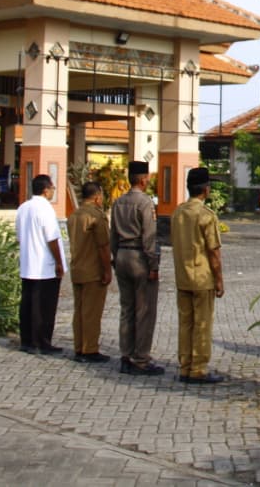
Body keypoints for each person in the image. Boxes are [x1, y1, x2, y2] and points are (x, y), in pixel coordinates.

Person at [170, 166, 225, 384]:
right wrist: (219, 279)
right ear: (205, 190)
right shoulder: (206, 215)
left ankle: (185, 366)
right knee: (202, 323)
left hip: (182, 276)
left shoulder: (178, 212)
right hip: (202, 277)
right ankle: (199, 368)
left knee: (185, 323)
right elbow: (214, 251)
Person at [111, 160, 164, 375]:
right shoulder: (145, 203)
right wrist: (153, 265)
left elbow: (112, 233)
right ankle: (141, 358)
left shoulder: (118, 202)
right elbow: (149, 237)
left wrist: (115, 257)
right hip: (139, 257)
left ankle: (126, 354)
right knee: (144, 310)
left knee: (127, 308)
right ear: (143, 180)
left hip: (122, 254)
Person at [16, 174, 65, 355]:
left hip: (28, 263)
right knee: (44, 306)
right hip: (44, 266)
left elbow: (19, 236)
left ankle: (27, 340)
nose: (53, 191)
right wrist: (59, 262)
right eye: (52, 188)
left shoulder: (23, 208)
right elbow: (52, 238)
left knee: (27, 304)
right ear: (46, 190)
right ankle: (42, 341)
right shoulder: (45, 209)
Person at [68, 181, 112, 362]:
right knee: (92, 312)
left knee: (79, 311)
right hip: (92, 269)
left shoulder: (74, 215)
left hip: (77, 267)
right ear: (97, 197)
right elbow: (103, 246)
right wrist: (107, 270)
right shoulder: (96, 216)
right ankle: (90, 349)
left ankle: (79, 347)